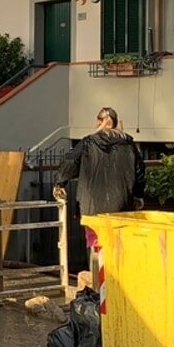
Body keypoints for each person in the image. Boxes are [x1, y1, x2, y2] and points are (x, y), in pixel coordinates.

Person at [54, 107, 146, 268]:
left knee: (96, 247)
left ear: (98, 121)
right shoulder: (129, 145)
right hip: (122, 207)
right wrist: (138, 195)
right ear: (116, 123)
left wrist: (59, 183)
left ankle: (98, 285)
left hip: (92, 208)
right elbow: (139, 171)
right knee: (119, 247)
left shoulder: (88, 142)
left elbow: (70, 162)